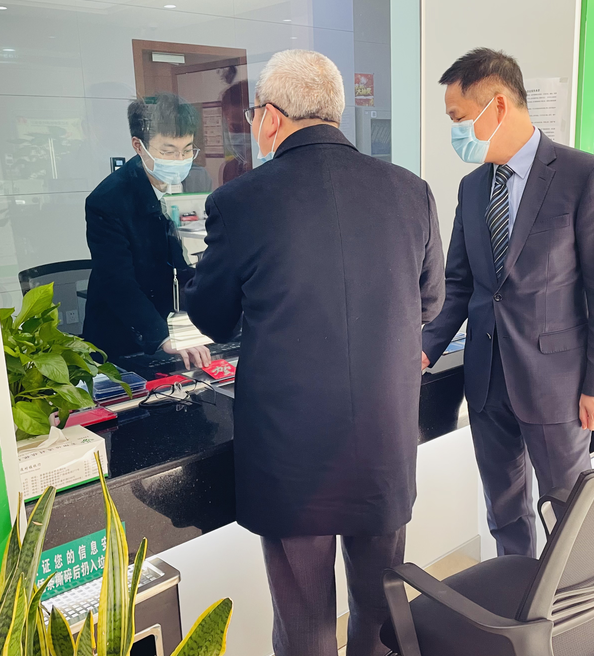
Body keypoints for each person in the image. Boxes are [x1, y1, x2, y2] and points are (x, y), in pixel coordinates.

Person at [184, 50, 444, 656]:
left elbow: (212, 316)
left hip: (289, 456)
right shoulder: (411, 191)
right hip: (383, 442)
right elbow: (429, 303)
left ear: (271, 117)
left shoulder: (240, 201)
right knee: (379, 615)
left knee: (304, 627)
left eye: (254, 114)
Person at [422, 48, 594, 558]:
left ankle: (576, 597)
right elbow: (459, 284)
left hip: (558, 385)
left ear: (496, 106)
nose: (456, 133)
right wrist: (422, 347)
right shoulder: (473, 188)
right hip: (487, 380)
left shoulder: (585, 176)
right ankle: (516, 591)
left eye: (458, 118)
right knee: (504, 510)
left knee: (569, 509)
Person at [82, 93, 213, 369]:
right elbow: (117, 282)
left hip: (182, 326)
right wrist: (161, 335)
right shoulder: (108, 200)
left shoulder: (198, 181)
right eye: (167, 151)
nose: (179, 160)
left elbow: (200, 251)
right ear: (138, 146)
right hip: (125, 333)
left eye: (187, 150)